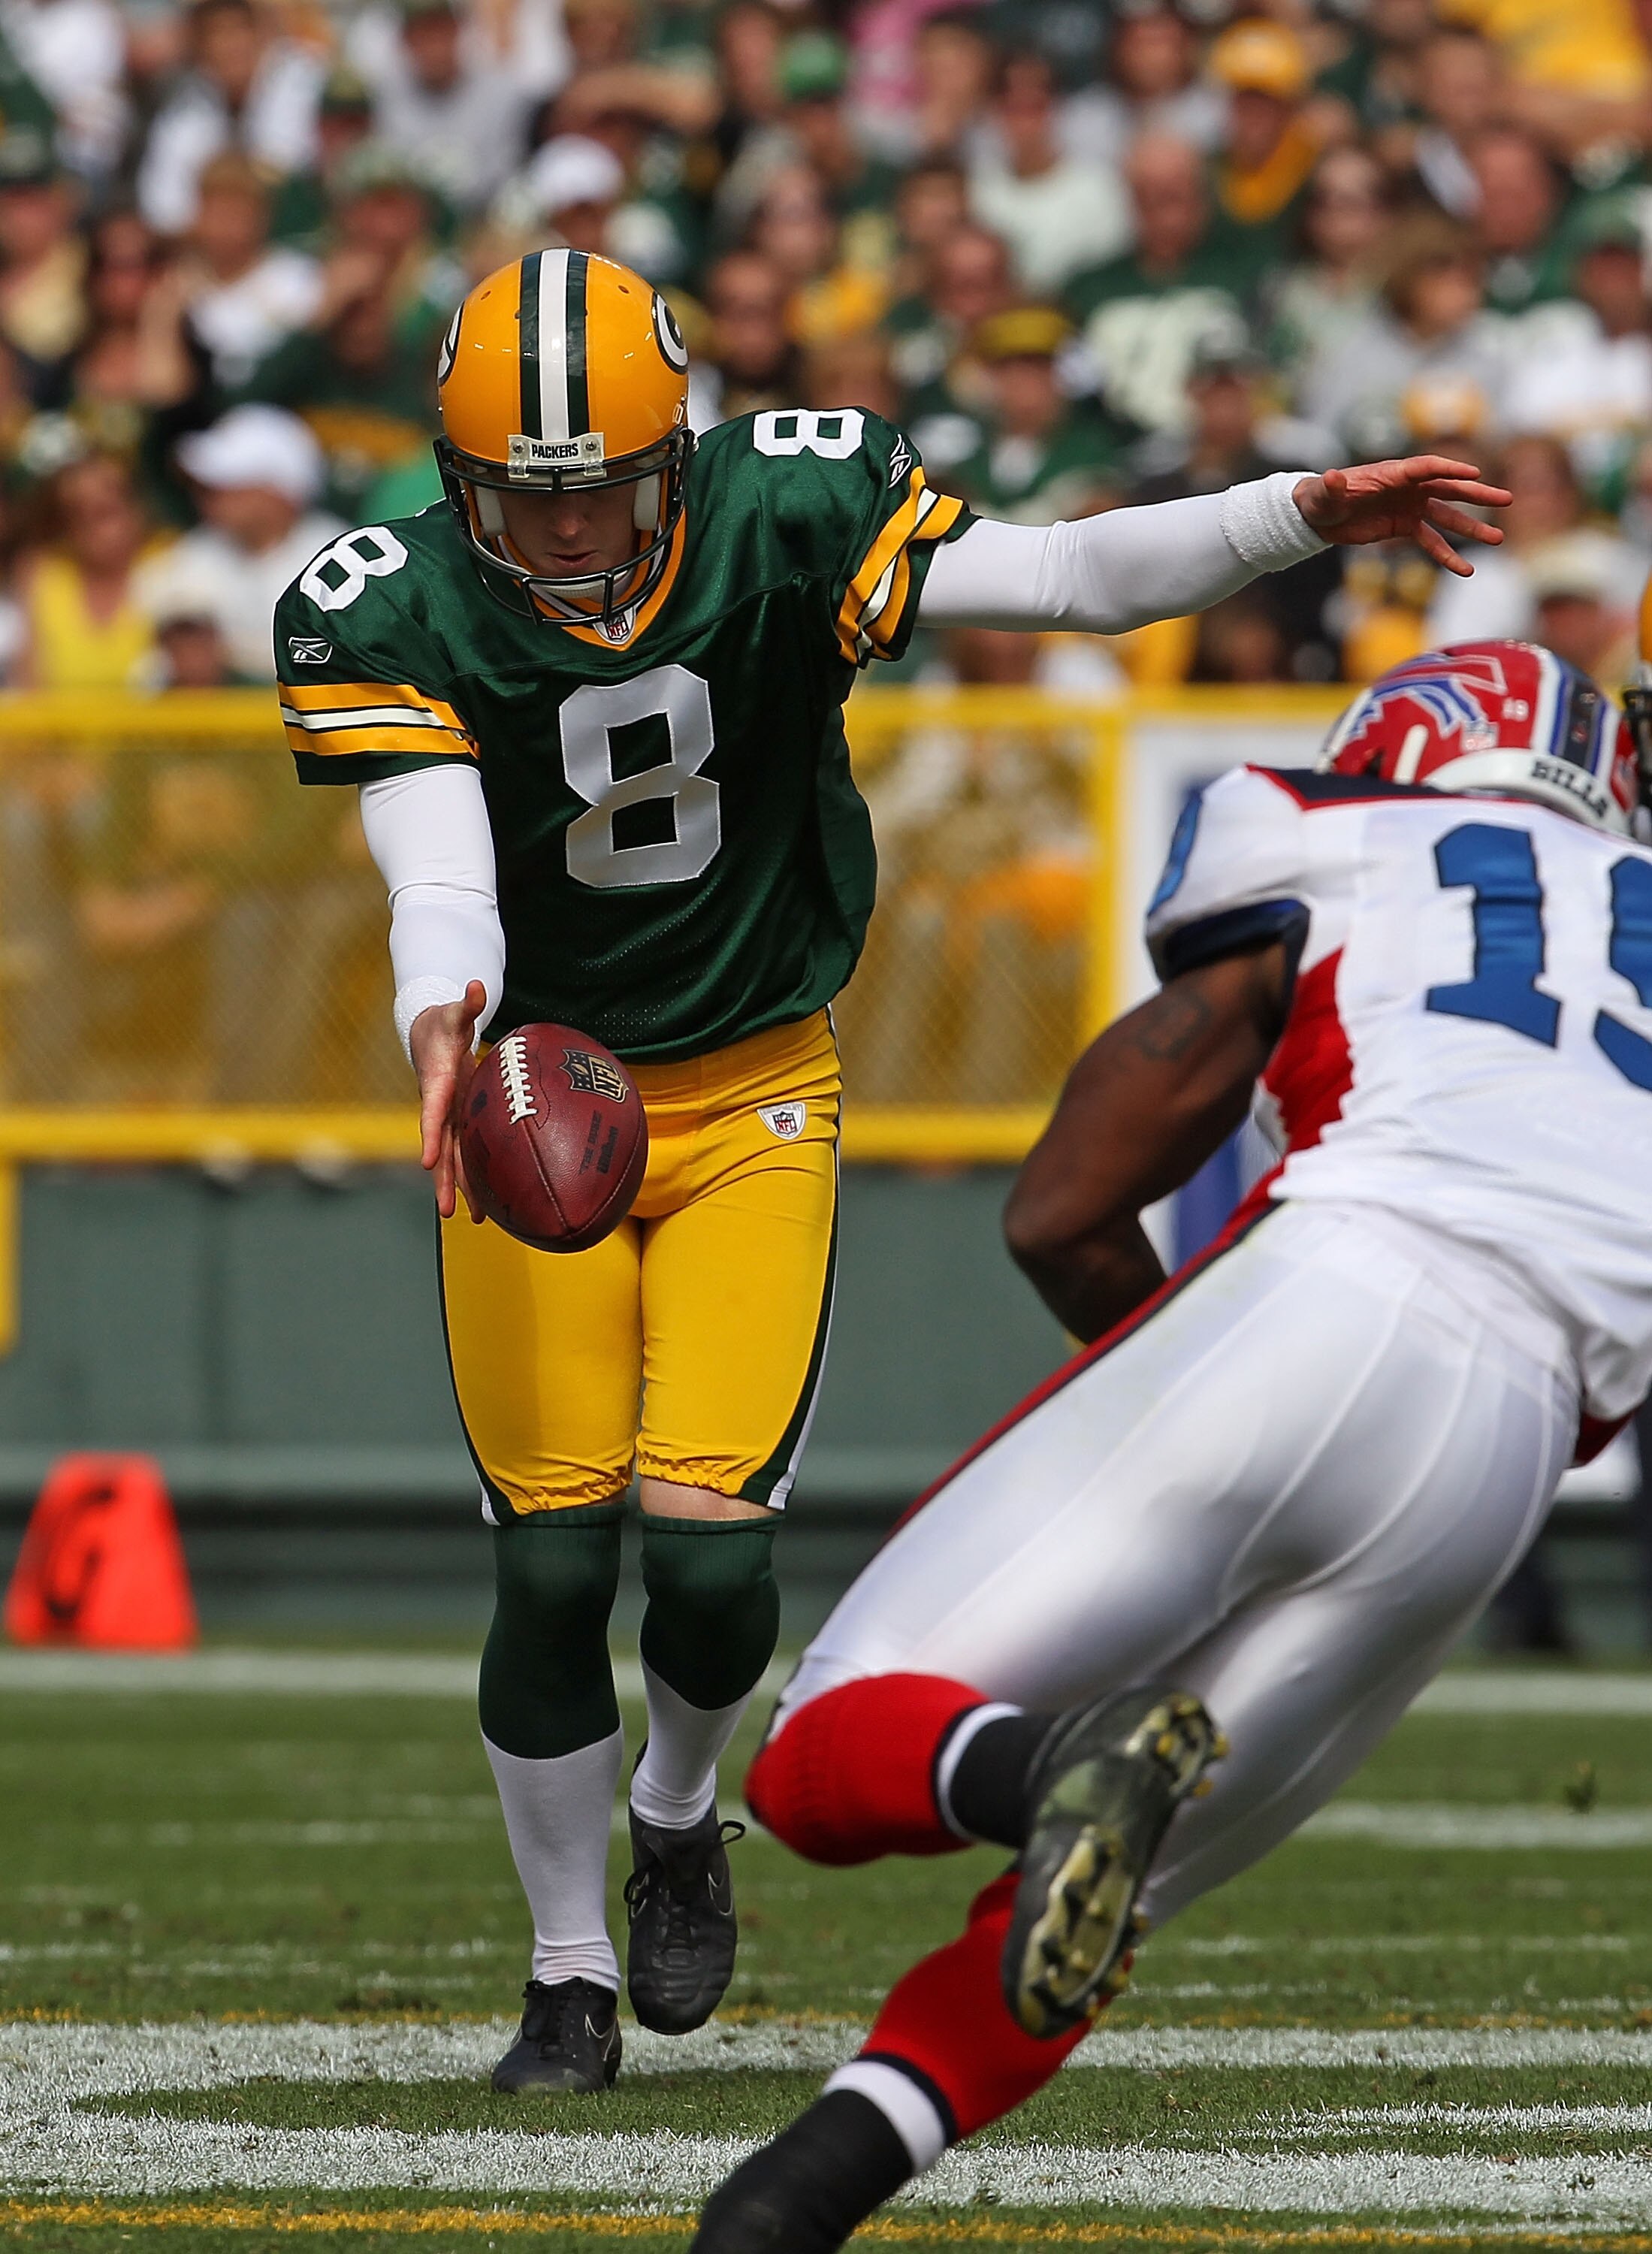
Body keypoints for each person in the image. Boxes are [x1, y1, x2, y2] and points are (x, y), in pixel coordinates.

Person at [271, 247, 1509, 2098]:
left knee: (710, 1566)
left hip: (754, 1080)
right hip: (539, 1094)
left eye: (604, 485)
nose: (570, 528)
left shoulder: (786, 507)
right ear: (459, 488)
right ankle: (564, 1972)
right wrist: (438, 1009)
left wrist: (1291, 513)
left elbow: (1069, 577)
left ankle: (677, 1812)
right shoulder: (392, 603)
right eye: (523, 497)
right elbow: (440, 867)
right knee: (550, 1562)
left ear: (678, 456)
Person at [692, 637, 1652, 2248]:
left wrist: (1175, 1393)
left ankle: (1039, 1765)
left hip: (1329, 1289)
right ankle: (785, 2210)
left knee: (820, 1754)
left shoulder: (1329, 829)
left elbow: (1061, 1214)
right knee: (1103, 1900)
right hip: (1505, 1460)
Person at [136, 403, 342, 678]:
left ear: (276, 491)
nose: (207, 494)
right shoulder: (191, 558)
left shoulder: (338, 559)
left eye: (228, 482)